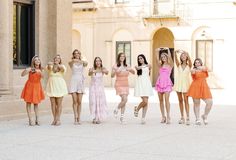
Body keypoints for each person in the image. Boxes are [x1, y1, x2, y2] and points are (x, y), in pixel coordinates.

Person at [187, 58, 213, 125]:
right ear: (194, 64)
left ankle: (205, 115)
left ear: (201, 63)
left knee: (209, 102)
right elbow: (192, 71)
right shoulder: (194, 70)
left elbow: (208, 69)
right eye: (196, 63)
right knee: (196, 104)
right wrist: (195, 70)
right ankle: (197, 119)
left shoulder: (204, 68)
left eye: (198, 62)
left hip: (204, 87)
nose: (197, 63)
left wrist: (200, 68)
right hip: (195, 87)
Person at [111, 52, 135, 124]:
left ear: (125, 58)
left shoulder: (127, 65)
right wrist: (116, 71)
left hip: (126, 84)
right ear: (119, 57)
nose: (122, 57)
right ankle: (116, 109)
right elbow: (112, 76)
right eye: (121, 56)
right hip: (119, 83)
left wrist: (130, 69)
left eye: (123, 56)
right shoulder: (115, 65)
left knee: (123, 101)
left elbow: (133, 72)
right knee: (125, 99)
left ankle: (122, 118)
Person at [21, 56, 45, 126]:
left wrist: (39, 71)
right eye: (36, 60)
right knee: (28, 103)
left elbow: (43, 77)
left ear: (40, 62)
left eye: (38, 60)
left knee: (36, 103)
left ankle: (37, 119)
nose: (37, 61)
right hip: (29, 86)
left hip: (37, 86)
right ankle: (30, 119)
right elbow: (22, 75)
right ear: (33, 62)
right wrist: (26, 70)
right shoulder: (30, 69)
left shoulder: (41, 69)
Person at [46, 55, 68, 126]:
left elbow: (62, 69)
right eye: (55, 58)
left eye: (58, 58)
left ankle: (58, 119)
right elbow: (48, 67)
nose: (57, 59)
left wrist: (57, 64)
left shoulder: (63, 66)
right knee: (53, 103)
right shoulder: (50, 66)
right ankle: (54, 118)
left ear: (60, 60)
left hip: (60, 86)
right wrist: (50, 64)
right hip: (51, 86)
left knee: (59, 104)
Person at [68, 49, 88, 125]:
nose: (76, 54)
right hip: (73, 81)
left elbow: (86, 63)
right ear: (73, 54)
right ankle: (75, 118)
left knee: (79, 101)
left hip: (80, 81)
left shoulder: (83, 61)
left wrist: (80, 60)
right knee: (75, 101)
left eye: (78, 53)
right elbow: (70, 63)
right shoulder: (71, 62)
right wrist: (75, 60)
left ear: (80, 54)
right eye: (75, 53)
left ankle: (79, 117)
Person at [155, 47, 174, 124]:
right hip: (159, 83)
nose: (163, 58)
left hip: (167, 83)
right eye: (162, 57)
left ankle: (168, 116)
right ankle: (163, 116)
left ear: (167, 57)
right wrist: (157, 51)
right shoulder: (160, 65)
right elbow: (156, 58)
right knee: (161, 101)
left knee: (167, 100)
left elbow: (170, 57)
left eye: (164, 56)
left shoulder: (170, 64)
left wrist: (168, 50)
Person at [174, 49, 192, 125]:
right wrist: (176, 52)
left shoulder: (189, 65)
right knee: (180, 101)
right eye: (182, 56)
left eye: (184, 56)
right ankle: (182, 117)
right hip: (178, 84)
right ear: (180, 58)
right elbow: (175, 58)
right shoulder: (178, 65)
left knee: (186, 100)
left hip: (186, 84)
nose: (183, 56)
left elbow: (190, 59)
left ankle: (188, 117)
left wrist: (186, 52)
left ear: (187, 57)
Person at [134, 54, 153, 124]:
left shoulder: (149, 65)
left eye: (141, 58)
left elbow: (150, 69)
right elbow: (138, 68)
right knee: (144, 101)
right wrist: (144, 66)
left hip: (147, 83)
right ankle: (137, 109)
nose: (140, 60)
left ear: (144, 58)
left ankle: (143, 118)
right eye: (139, 59)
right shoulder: (137, 66)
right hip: (140, 84)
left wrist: (147, 66)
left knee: (146, 102)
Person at [88, 57, 108, 124]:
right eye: (96, 61)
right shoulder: (92, 68)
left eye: (99, 61)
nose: (98, 62)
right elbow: (89, 73)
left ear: (101, 62)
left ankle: (98, 117)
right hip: (93, 87)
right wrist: (95, 71)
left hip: (100, 88)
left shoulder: (103, 68)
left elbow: (107, 72)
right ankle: (94, 117)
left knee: (99, 102)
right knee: (93, 102)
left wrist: (101, 70)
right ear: (94, 62)